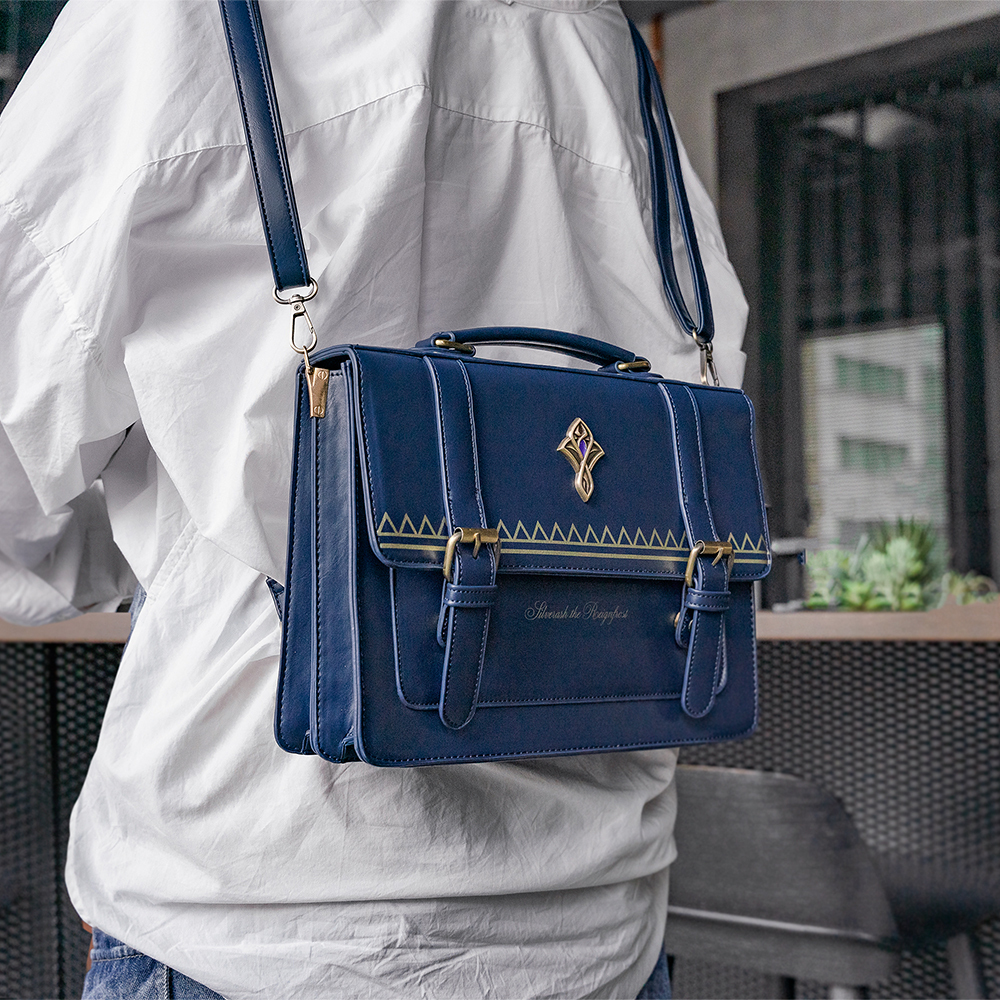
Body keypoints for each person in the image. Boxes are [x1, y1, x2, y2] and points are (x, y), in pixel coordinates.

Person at [0, 1, 748, 997]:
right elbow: (704, 373)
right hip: (598, 921)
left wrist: (171, 504)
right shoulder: (604, 41)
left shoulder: (173, 23)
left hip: (262, 907)